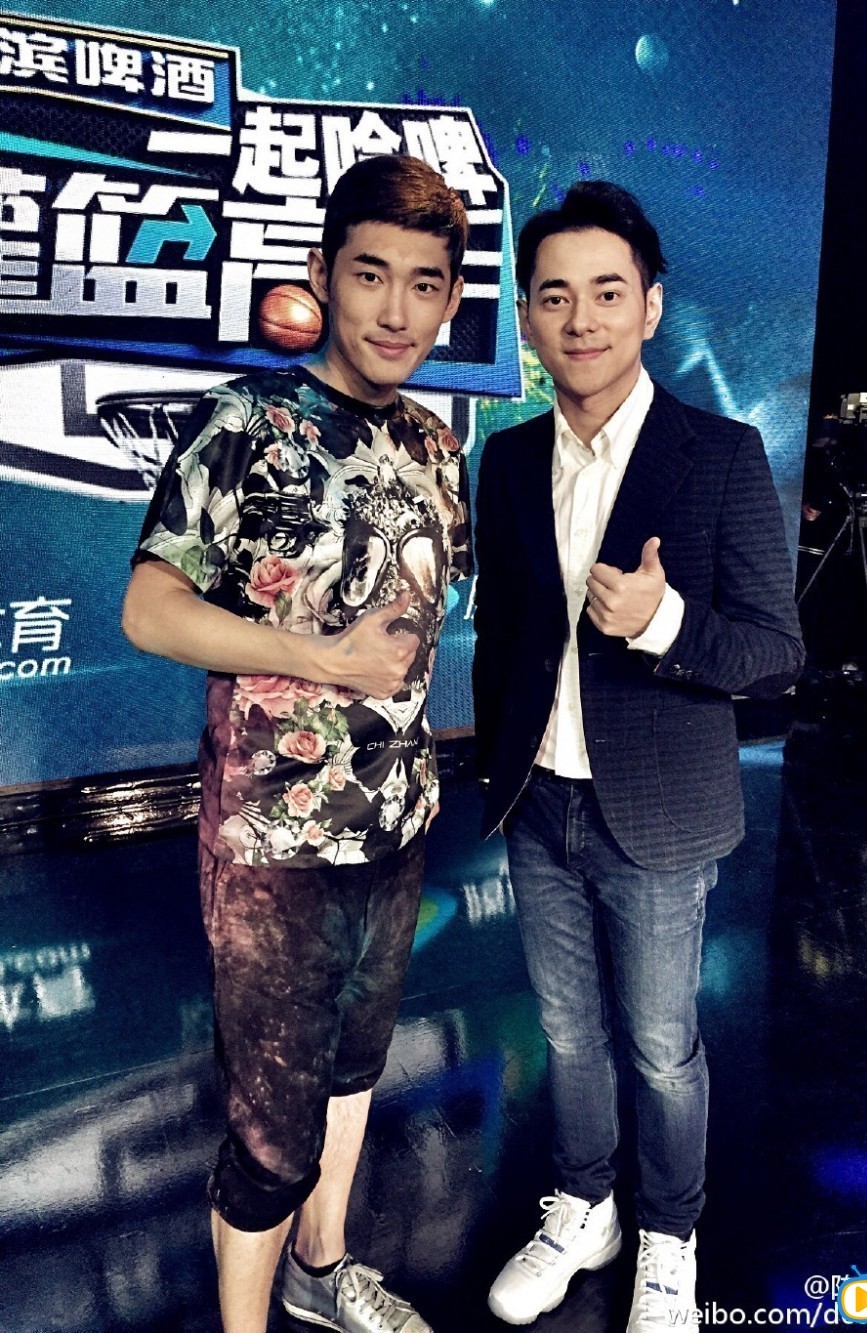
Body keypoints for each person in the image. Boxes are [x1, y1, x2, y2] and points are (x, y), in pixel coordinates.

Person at [121, 154, 471, 1333]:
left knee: (354, 1074)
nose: (395, 309)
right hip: (273, 843)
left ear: (449, 297)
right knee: (271, 1135)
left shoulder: (435, 447)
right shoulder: (249, 422)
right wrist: (314, 656)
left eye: (423, 283)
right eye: (370, 274)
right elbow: (149, 609)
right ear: (322, 274)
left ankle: (321, 1274)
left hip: (396, 825)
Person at [472, 181, 803, 1331]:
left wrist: (662, 622)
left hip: (657, 810)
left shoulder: (720, 454)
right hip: (538, 804)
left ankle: (669, 1231)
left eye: (607, 292)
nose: (582, 319)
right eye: (554, 295)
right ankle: (584, 1207)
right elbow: (504, 632)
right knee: (567, 1035)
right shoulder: (509, 459)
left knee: (662, 1048)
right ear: (526, 315)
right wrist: (498, 768)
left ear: (650, 307)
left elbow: (775, 654)